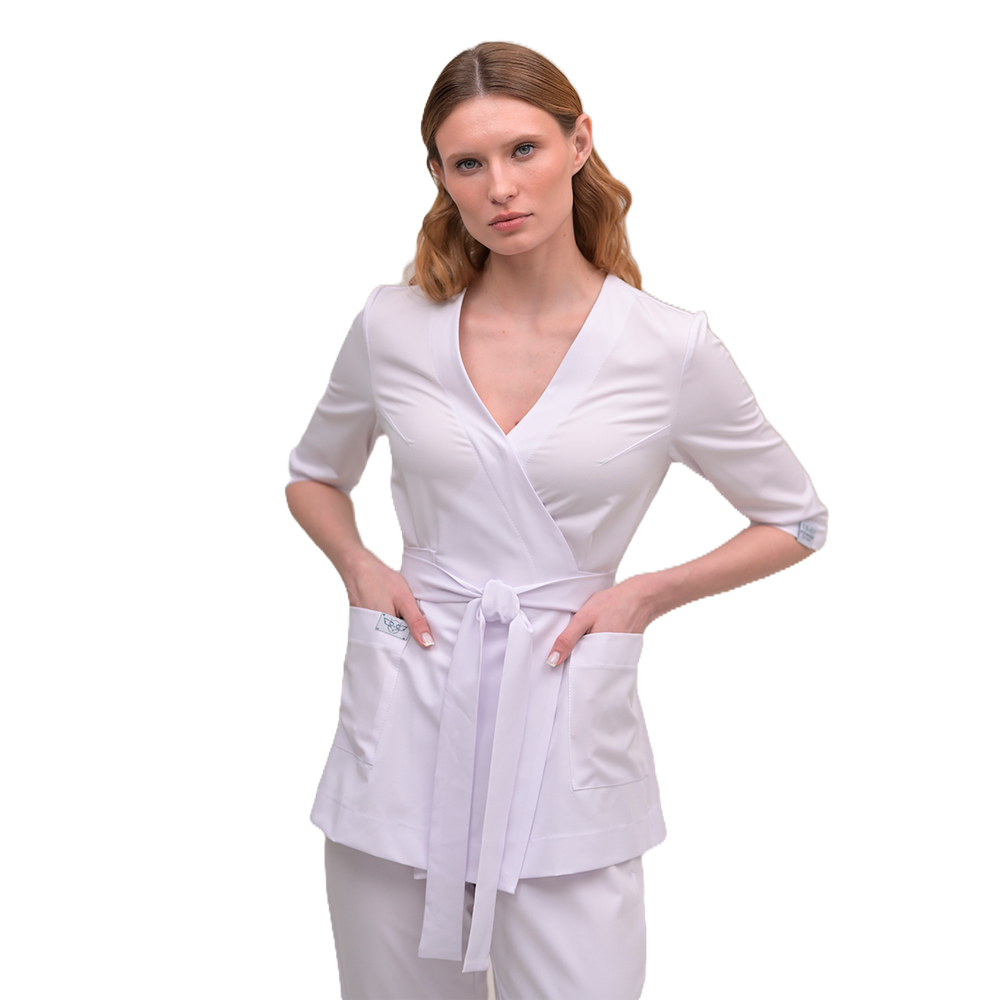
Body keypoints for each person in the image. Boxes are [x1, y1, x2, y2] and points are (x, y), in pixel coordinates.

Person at [285, 39, 829, 1000]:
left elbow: (795, 518)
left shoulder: (668, 347)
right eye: (468, 162)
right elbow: (313, 476)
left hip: (568, 704)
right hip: (406, 704)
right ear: (440, 177)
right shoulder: (390, 324)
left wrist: (646, 595)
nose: (500, 187)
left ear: (580, 144)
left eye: (524, 150)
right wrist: (359, 567)